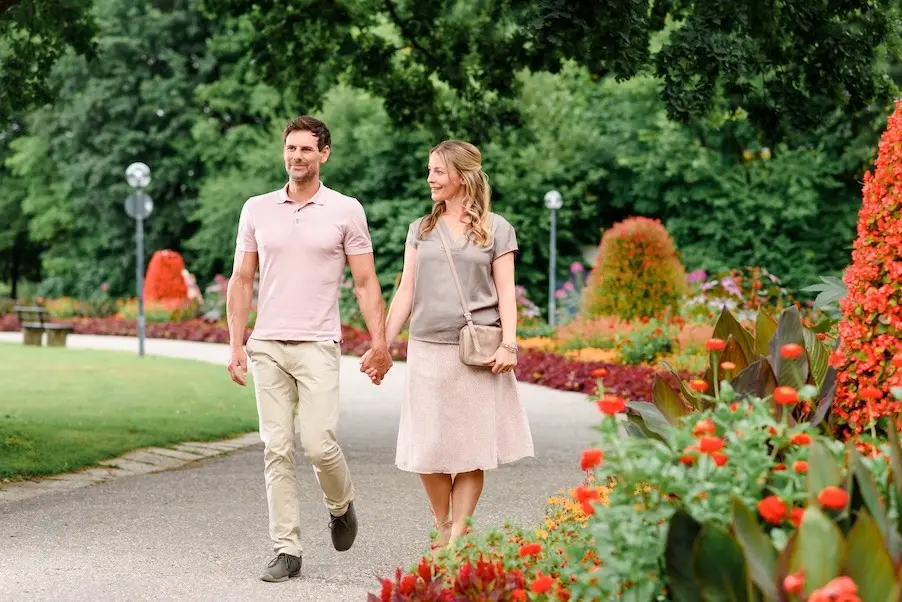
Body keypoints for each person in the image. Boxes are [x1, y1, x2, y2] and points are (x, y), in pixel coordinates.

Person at [226, 115, 393, 582]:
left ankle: (341, 506)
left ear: (324, 154)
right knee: (276, 447)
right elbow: (241, 279)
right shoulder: (256, 208)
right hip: (268, 346)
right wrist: (236, 343)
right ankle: (287, 550)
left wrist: (380, 342)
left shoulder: (345, 210)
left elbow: (364, 282)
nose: (296, 156)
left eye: (305, 149)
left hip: (319, 343)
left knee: (319, 444)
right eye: (290, 148)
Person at [362, 139, 534, 553]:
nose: (430, 179)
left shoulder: (497, 229)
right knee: (429, 449)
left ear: (462, 175)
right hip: (426, 350)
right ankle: (443, 524)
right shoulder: (420, 229)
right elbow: (406, 290)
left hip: (476, 353)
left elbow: (506, 294)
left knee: (471, 451)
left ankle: (457, 538)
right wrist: (382, 343)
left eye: (438, 171)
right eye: (429, 171)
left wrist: (509, 345)